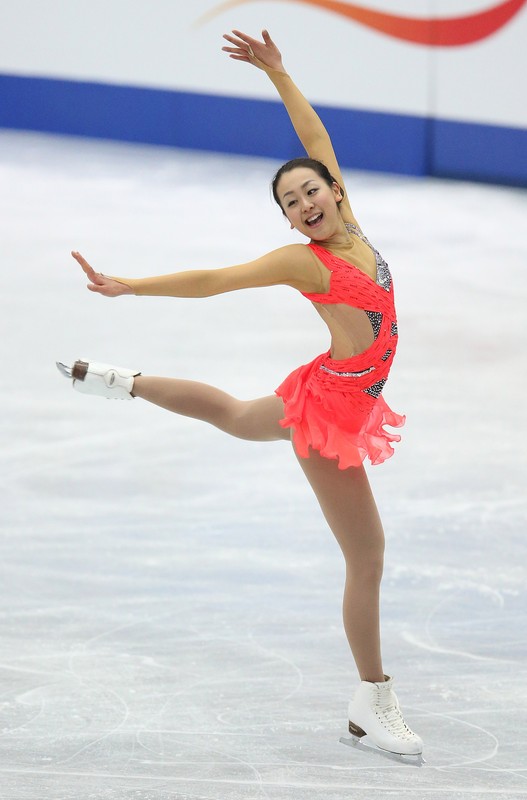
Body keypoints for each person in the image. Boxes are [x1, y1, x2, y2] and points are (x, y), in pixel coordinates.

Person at [58, 29, 423, 761]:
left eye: (309, 189)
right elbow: (213, 280)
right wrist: (134, 284)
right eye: (290, 202)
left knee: (231, 414)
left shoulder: (354, 228)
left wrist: (279, 74)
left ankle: (122, 382)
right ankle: (370, 702)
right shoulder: (306, 262)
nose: (303, 202)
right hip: (332, 416)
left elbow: (313, 134)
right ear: (288, 221)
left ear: (333, 190)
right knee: (369, 557)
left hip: (331, 389)